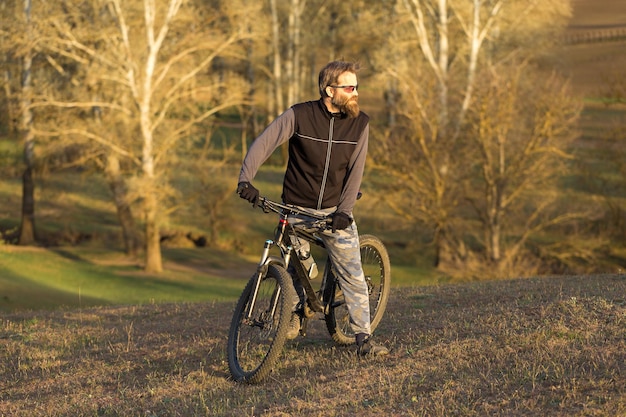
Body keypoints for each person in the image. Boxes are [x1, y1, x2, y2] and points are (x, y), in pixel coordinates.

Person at [236, 60, 388, 356]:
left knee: (352, 274)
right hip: (295, 209)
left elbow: (356, 170)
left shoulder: (360, 123)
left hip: (334, 214)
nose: (355, 92)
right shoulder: (300, 116)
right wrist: (246, 180)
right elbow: (264, 143)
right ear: (329, 90)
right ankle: (293, 312)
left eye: (356, 86)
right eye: (349, 87)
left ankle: (363, 339)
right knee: (295, 265)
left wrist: (344, 211)